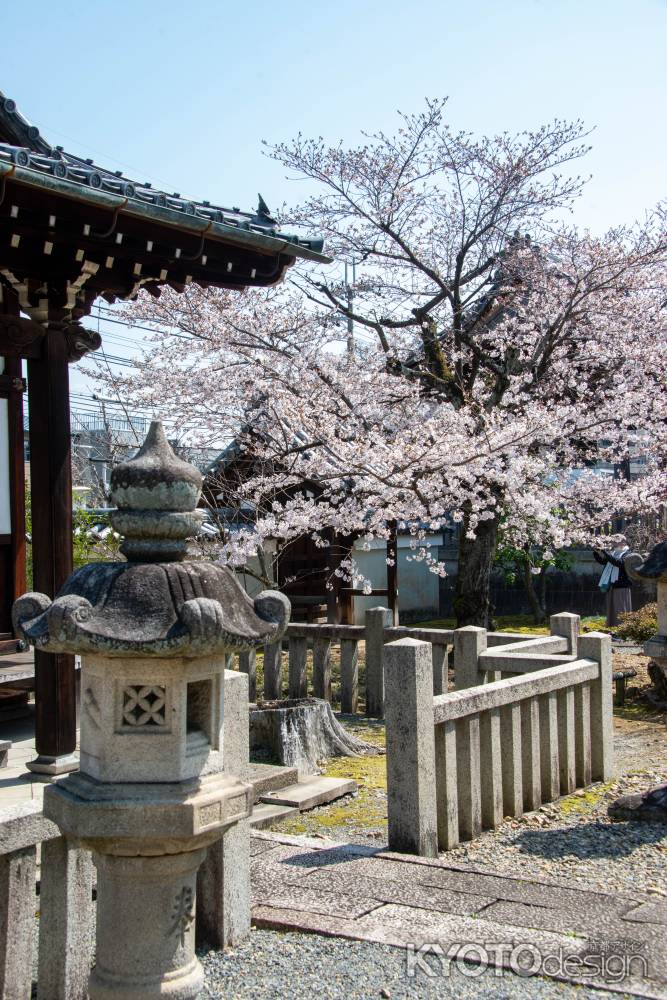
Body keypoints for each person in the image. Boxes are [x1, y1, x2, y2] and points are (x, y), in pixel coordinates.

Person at [592, 538, 632, 627]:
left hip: (622, 585)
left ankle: (622, 628)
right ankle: (613, 628)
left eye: (617, 541)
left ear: (623, 542)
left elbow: (619, 563)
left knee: (620, 608)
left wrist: (605, 552)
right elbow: (603, 561)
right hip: (612, 584)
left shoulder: (628, 553)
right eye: (614, 541)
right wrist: (596, 552)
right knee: (612, 608)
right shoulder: (614, 553)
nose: (614, 543)